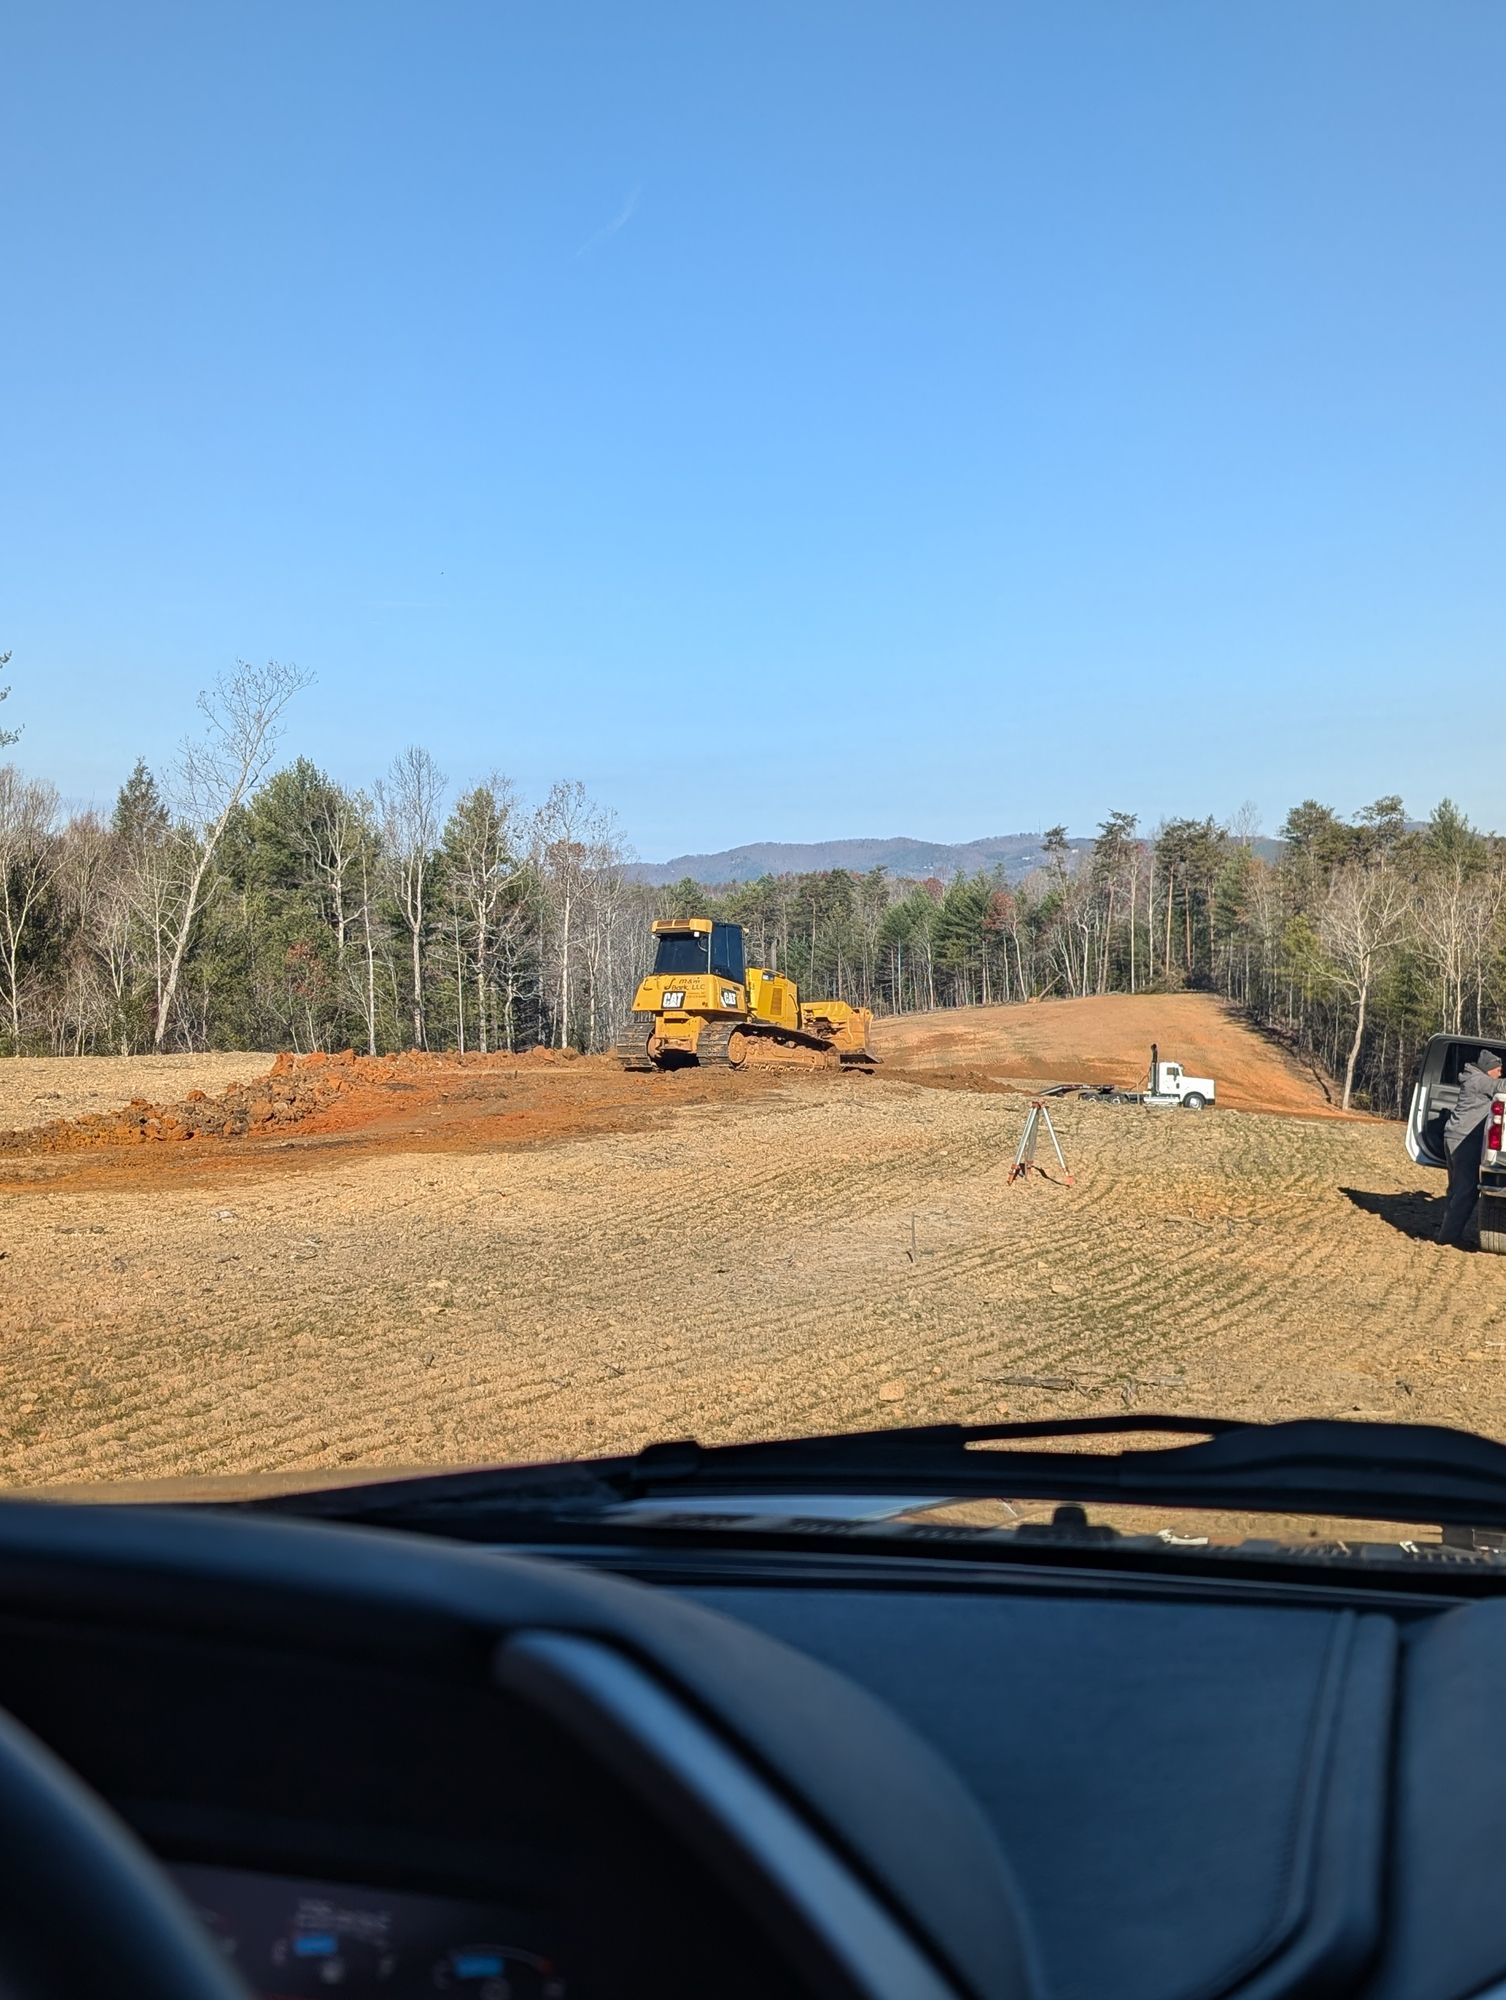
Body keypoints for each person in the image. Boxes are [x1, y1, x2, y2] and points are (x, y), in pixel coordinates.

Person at [1437, 1049, 1505, 1248]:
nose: (1500, 1073)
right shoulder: (1479, 1080)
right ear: (1488, 1069)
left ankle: (1446, 1232)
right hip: (1464, 1140)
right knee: (1465, 1191)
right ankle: (1448, 1238)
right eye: (1498, 1069)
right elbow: (1501, 1086)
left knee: (1456, 1190)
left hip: (1455, 1137)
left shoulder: (1473, 1078)